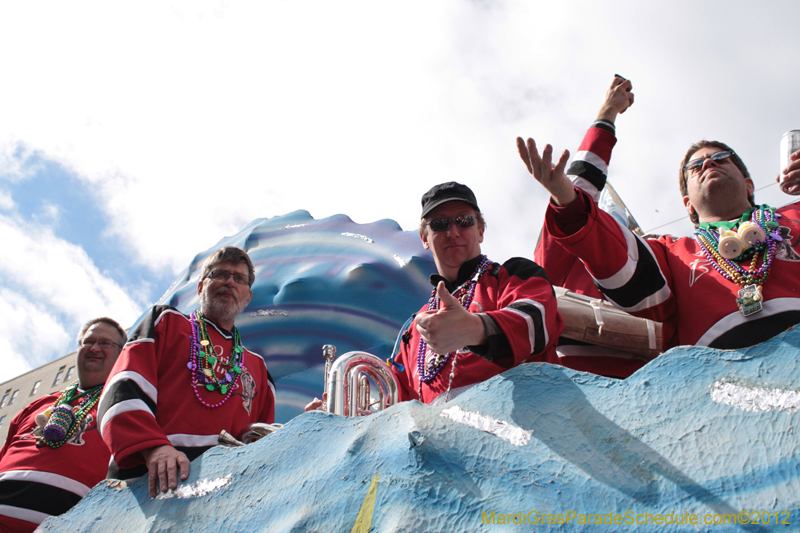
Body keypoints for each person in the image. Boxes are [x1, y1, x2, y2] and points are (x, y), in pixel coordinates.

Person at [518, 117, 800, 349]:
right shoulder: (672, 252)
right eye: (695, 166)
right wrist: (569, 200)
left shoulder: (793, 216)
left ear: (749, 184)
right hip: (725, 381)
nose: (709, 163)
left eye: (721, 158)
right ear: (687, 203)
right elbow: (621, 262)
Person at [97, 246, 275, 498]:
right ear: (201, 287)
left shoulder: (259, 369)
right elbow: (122, 390)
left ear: (248, 297)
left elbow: (261, 444)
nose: (229, 283)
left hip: (225, 497)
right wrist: (154, 448)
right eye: (220, 274)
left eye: (239, 279)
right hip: (148, 486)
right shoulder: (165, 322)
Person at [533, 76, 675, 378]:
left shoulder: (668, 261)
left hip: (663, 391)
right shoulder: (556, 260)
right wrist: (607, 112)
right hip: (575, 398)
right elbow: (579, 185)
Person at [387, 182, 564, 405]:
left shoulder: (514, 274)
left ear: (480, 231)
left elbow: (536, 321)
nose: (453, 232)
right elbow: (397, 406)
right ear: (424, 238)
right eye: (440, 224)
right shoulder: (414, 329)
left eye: (464, 220)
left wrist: (474, 329)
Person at [0, 317, 126, 532]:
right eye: (88, 341)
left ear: (121, 354)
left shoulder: (122, 405)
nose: (94, 348)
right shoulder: (39, 405)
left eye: (105, 343)